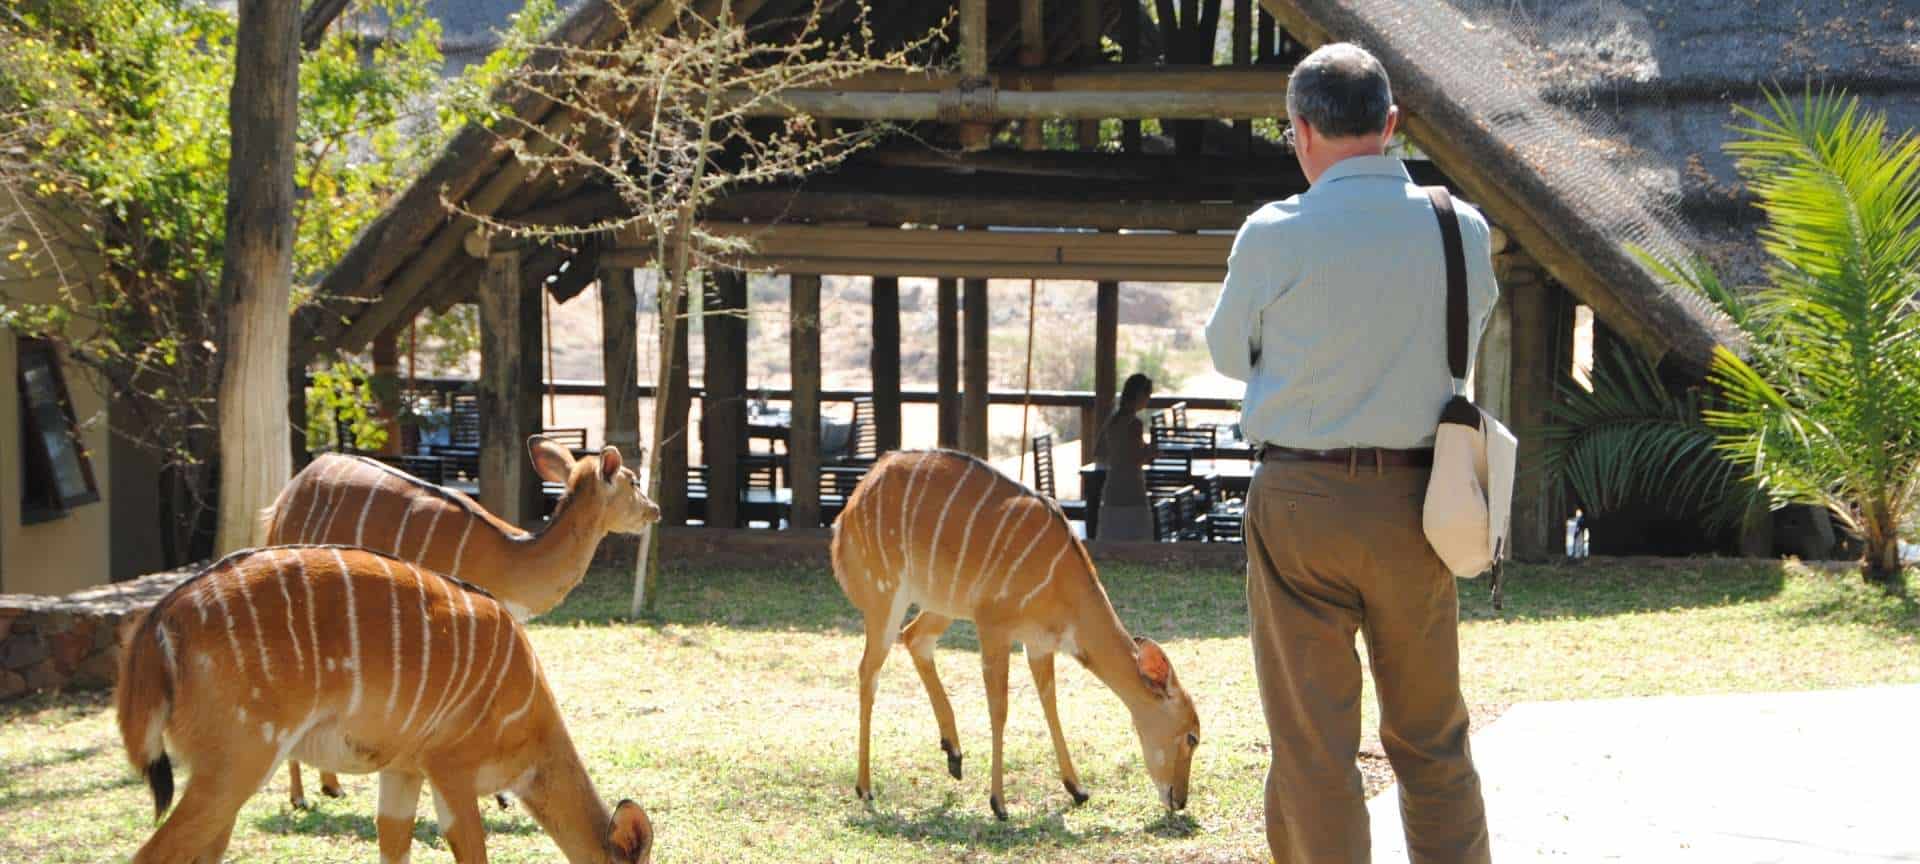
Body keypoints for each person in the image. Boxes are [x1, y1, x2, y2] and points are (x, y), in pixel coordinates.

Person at [1205, 43, 1497, 864]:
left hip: (1300, 500)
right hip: (1420, 503)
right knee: (1431, 736)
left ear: (1298, 131)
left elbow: (1231, 354)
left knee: (1312, 743)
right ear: (1392, 125)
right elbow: (1464, 343)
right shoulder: (1460, 227)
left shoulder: (1273, 233)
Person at [1093, 373, 1156, 541]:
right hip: (1132, 490)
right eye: (1147, 395)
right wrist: (1150, 452)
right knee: (1137, 542)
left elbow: (1099, 451)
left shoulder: (1112, 420)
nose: (1148, 400)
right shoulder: (1134, 424)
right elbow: (1135, 459)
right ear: (1140, 395)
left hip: (1112, 488)